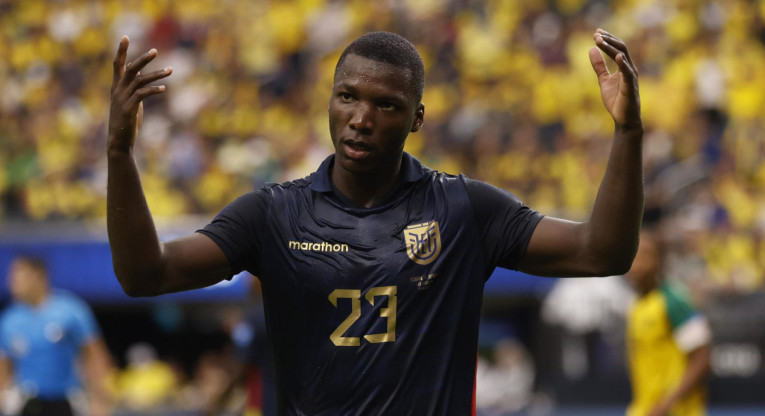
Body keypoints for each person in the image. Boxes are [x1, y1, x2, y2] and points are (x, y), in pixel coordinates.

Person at [107, 29, 643, 414]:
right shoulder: (272, 213)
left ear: (417, 118)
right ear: (330, 101)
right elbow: (145, 275)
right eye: (348, 97)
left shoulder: (464, 210)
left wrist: (627, 135)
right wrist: (118, 152)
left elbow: (603, 253)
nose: (361, 119)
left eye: (386, 106)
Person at [0, 256, 113, 416]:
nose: (12, 282)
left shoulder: (71, 310)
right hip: (26, 401)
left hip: (66, 400)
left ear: (39, 276)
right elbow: (3, 365)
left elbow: (95, 355)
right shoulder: (9, 319)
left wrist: (101, 398)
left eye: (19, 275)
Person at [624, 231, 711, 416]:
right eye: (632, 256)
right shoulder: (636, 305)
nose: (636, 265)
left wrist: (666, 404)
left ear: (659, 261)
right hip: (643, 409)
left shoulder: (675, 302)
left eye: (644, 256)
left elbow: (702, 358)